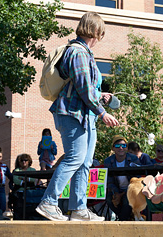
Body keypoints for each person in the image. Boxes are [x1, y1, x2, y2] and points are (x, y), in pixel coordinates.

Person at [36, 12, 119, 221]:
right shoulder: (78, 52)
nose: (102, 37)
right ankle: (48, 202)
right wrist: (102, 112)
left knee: (85, 162)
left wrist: (100, 96)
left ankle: (79, 209)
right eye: (102, 33)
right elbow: (83, 88)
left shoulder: (85, 53)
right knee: (74, 158)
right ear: (97, 31)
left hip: (84, 115)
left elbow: (83, 87)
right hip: (73, 114)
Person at [104, 135, 141, 221]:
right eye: (117, 146)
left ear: (127, 148)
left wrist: (122, 195)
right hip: (116, 190)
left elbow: (136, 179)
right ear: (113, 148)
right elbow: (110, 182)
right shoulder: (108, 161)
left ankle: (123, 220)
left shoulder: (133, 159)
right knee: (109, 199)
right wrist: (116, 193)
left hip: (131, 189)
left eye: (123, 145)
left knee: (126, 200)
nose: (121, 148)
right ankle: (126, 218)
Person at [12, 154, 37, 220]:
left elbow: (33, 179)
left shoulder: (32, 170)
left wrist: (23, 178)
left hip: (30, 193)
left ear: (29, 161)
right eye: (22, 160)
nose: (24, 162)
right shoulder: (17, 170)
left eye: (26, 160)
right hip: (19, 193)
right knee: (19, 209)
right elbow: (15, 180)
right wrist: (28, 179)